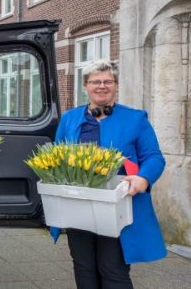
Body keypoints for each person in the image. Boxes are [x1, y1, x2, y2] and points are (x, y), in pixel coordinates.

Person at [53, 60, 166, 289]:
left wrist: (143, 178)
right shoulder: (70, 118)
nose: (102, 86)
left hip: (116, 205)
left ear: (116, 86)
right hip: (77, 204)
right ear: (85, 85)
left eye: (108, 81)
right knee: (83, 266)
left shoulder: (135, 118)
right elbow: (57, 157)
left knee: (112, 269)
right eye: (95, 81)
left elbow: (154, 157)